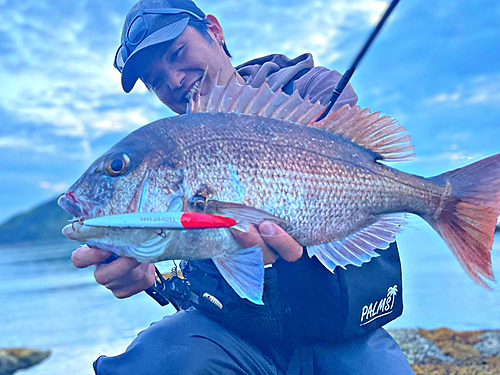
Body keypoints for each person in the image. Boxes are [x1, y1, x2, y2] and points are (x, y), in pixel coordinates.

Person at [72, 0, 415, 374]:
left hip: (340, 334)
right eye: (155, 80)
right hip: (239, 340)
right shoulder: (178, 147)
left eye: (177, 52)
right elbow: (208, 267)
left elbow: (355, 152)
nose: (173, 80)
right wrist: (150, 276)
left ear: (215, 32)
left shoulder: (307, 89)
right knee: (148, 362)